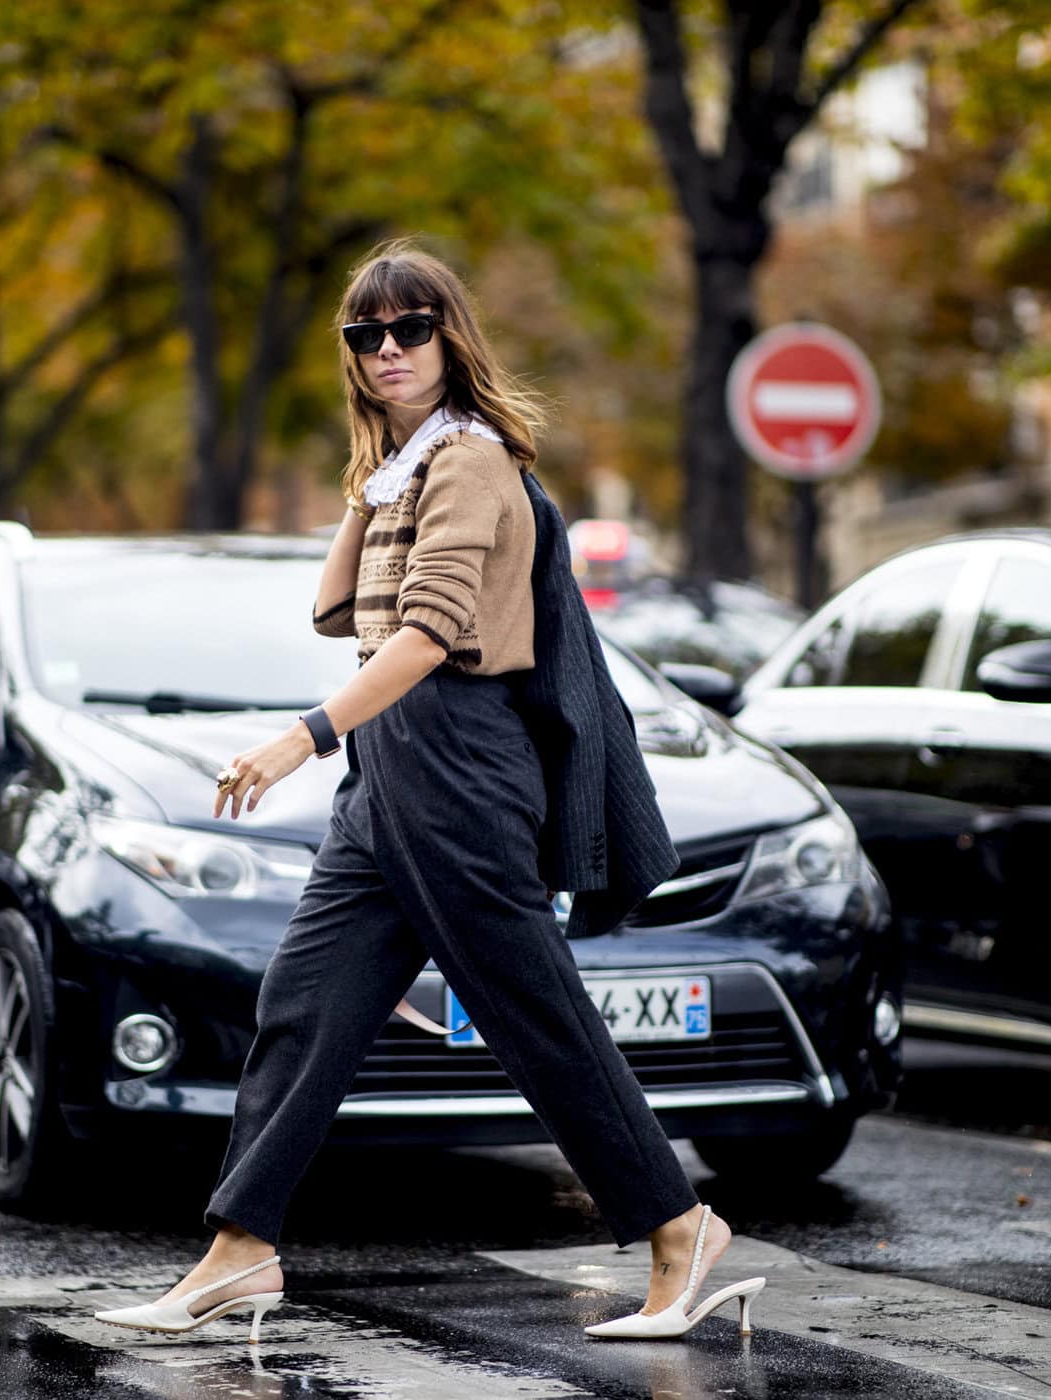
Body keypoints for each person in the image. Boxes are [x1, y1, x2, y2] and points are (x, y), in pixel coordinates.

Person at [92, 242, 765, 1344]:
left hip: (458, 766)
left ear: (453, 337)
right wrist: (370, 475)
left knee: (533, 1014)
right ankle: (241, 1246)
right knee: (305, 1003)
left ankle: (681, 1226)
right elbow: (331, 606)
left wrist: (299, 740)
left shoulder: (474, 462)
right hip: (390, 775)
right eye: (368, 336)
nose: (391, 349)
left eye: (412, 329)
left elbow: (428, 632)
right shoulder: (410, 465)